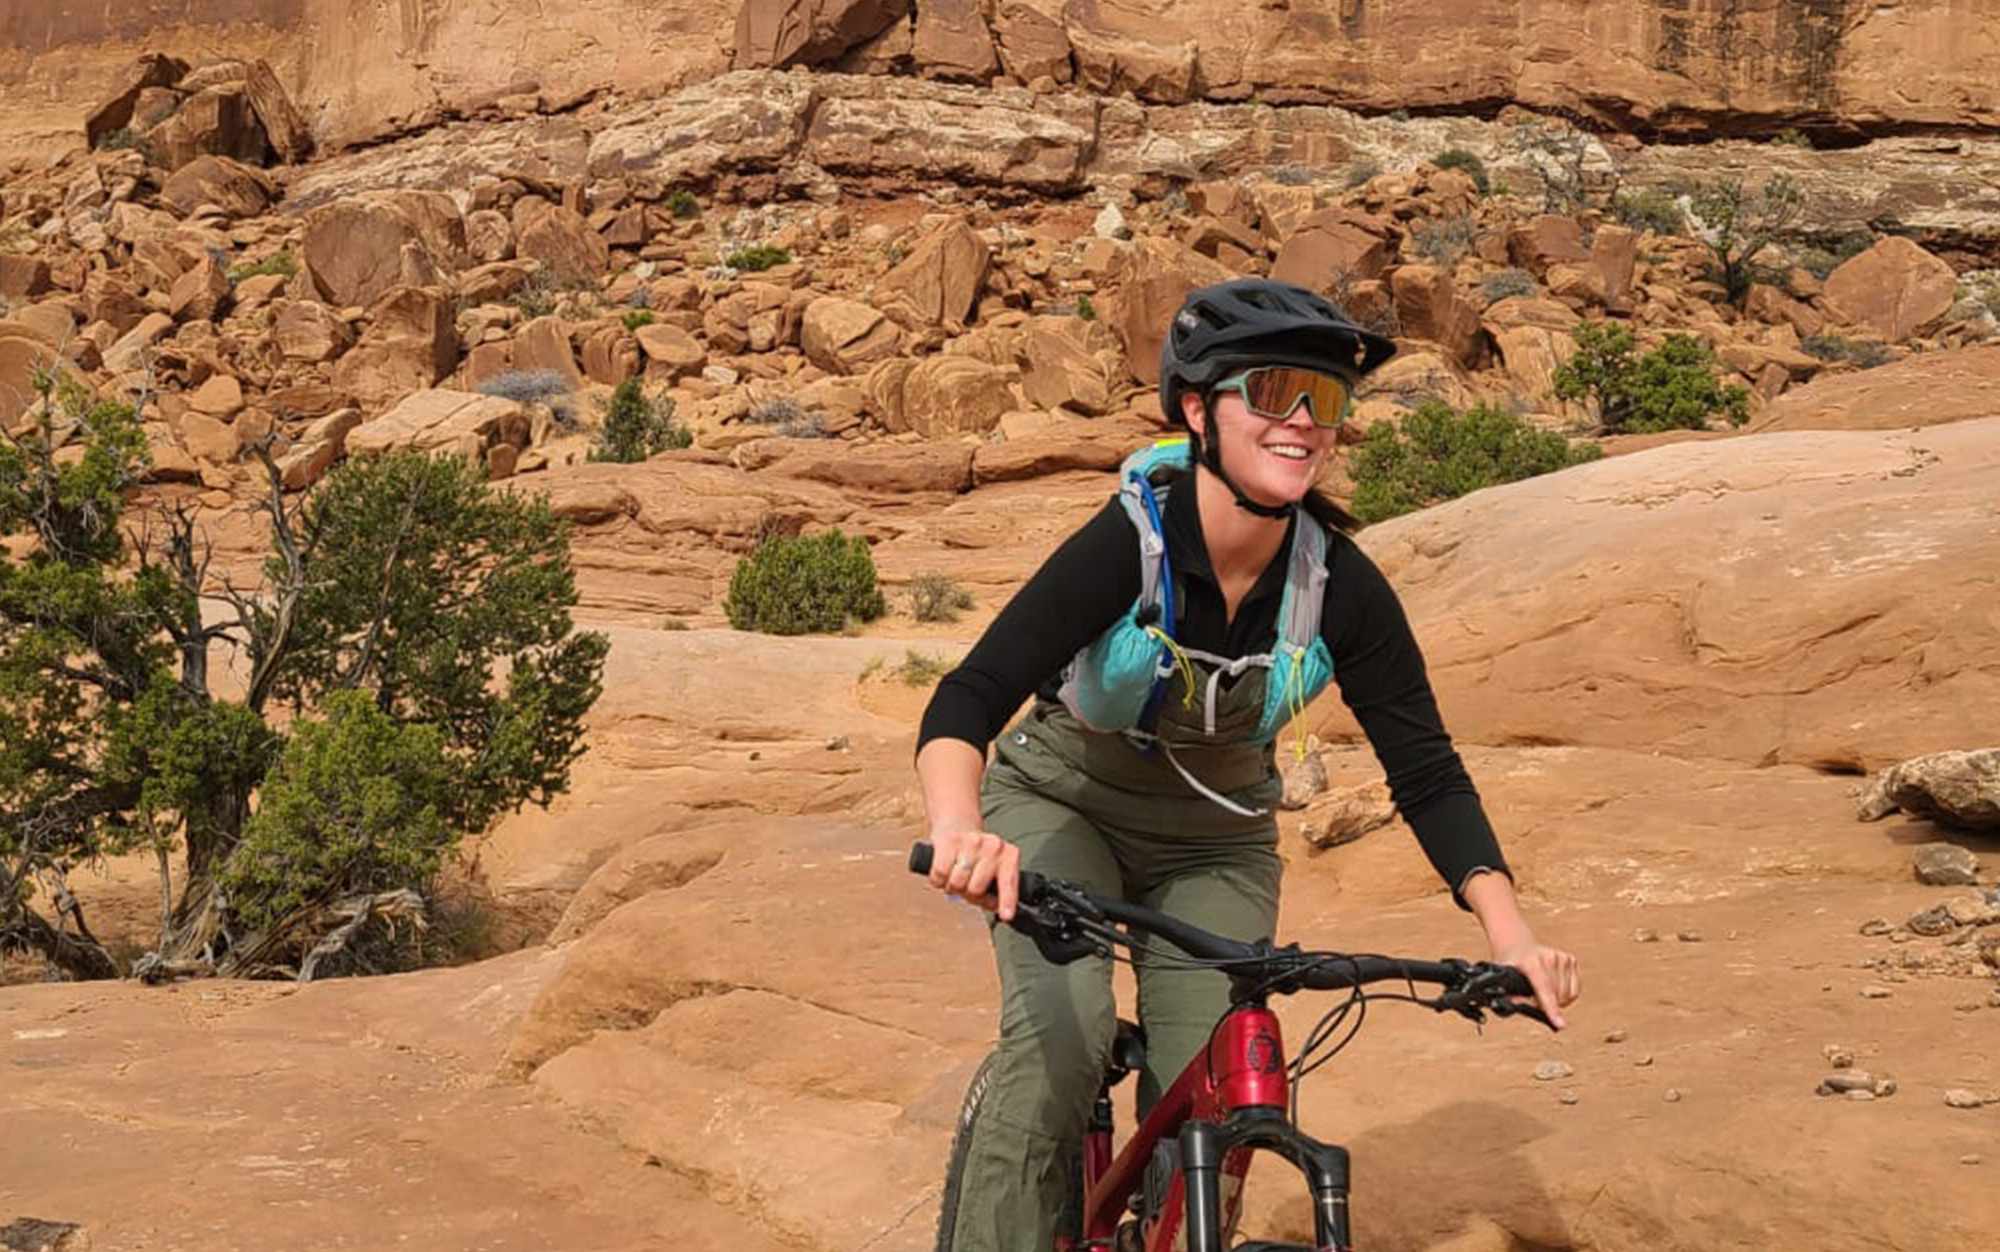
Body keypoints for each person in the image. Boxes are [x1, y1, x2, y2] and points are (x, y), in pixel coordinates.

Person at [913, 277, 1580, 1251]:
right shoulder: (1128, 545)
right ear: (1196, 409)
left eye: (1326, 401)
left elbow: (1426, 771)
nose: (1304, 423)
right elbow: (967, 696)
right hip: (1063, 805)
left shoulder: (1337, 584)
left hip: (1213, 844)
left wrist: (1511, 937)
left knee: (1219, 1092)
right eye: (1272, 392)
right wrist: (958, 829)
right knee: (1061, 1045)